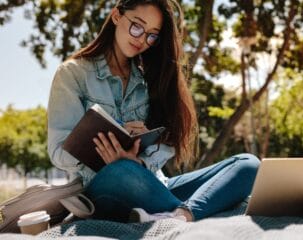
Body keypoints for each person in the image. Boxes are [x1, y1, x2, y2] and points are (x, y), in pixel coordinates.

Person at [47, 0, 260, 223]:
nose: (142, 40)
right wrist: (109, 153)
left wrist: (138, 161)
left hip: (154, 184)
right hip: (106, 186)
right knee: (122, 170)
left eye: (151, 35)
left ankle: (182, 215)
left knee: (248, 164)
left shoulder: (147, 80)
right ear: (116, 16)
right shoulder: (73, 74)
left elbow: (164, 145)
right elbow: (57, 151)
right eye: (137, 26)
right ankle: (190, 212)